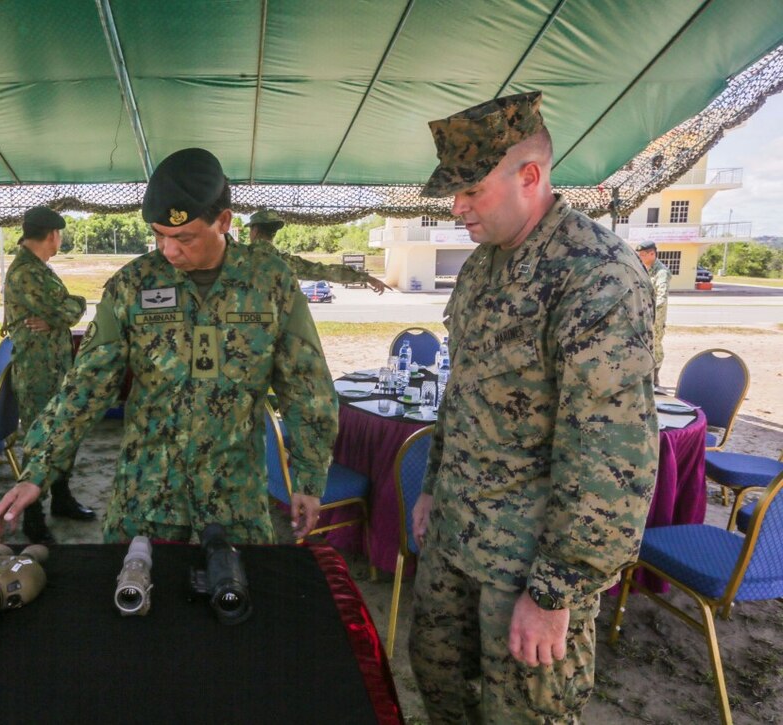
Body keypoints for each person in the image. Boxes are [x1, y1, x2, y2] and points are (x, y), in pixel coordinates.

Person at [407, 92, 659, 723]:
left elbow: (612, 456)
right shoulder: (482, 268)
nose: (456, 208)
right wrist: (434, 487)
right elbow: (461, 393)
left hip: (525, 564)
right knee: (439, 686)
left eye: (471, 190)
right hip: (456, 537)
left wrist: (555, 590)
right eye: (453, 192)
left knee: (524, 714)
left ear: (530, 175)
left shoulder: (597, 274)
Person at [0, 147, 338, 545]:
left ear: (223, 221)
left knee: (237, 597)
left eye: (184, 237)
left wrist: (310, 479)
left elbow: (307, 387)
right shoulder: (133, 286)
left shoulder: (271, 283)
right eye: (159, 235)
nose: (169, 251)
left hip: (234, 497)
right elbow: (86, 384)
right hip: (146, 495)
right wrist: (37, 468)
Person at [3, 206, 94, 544]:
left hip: (54, 368)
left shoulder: (39, 268)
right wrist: (68, 310)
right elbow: (68, 306)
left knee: (63, 432)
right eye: (60, 235)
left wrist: (63, 312)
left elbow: (67, 306)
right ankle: (33, 516)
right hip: (37, 372)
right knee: (39, 440)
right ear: (52, 235)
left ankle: (61, 498)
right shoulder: (26, 272)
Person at [245, 209, 390, 294]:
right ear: (274, 233)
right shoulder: (285, 263)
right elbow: (326, 271)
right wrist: (367, 278)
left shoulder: (234, 256)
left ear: (254, 230)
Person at [634, 240, 670, 385]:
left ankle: (655, 377)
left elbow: (662, 296)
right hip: (642, 314)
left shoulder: (661, 272)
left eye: (642, 254)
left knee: (655, 345)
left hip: (655, 316)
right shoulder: (642, 269)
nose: (640, 257)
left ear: (652, 254)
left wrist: (652, 309)